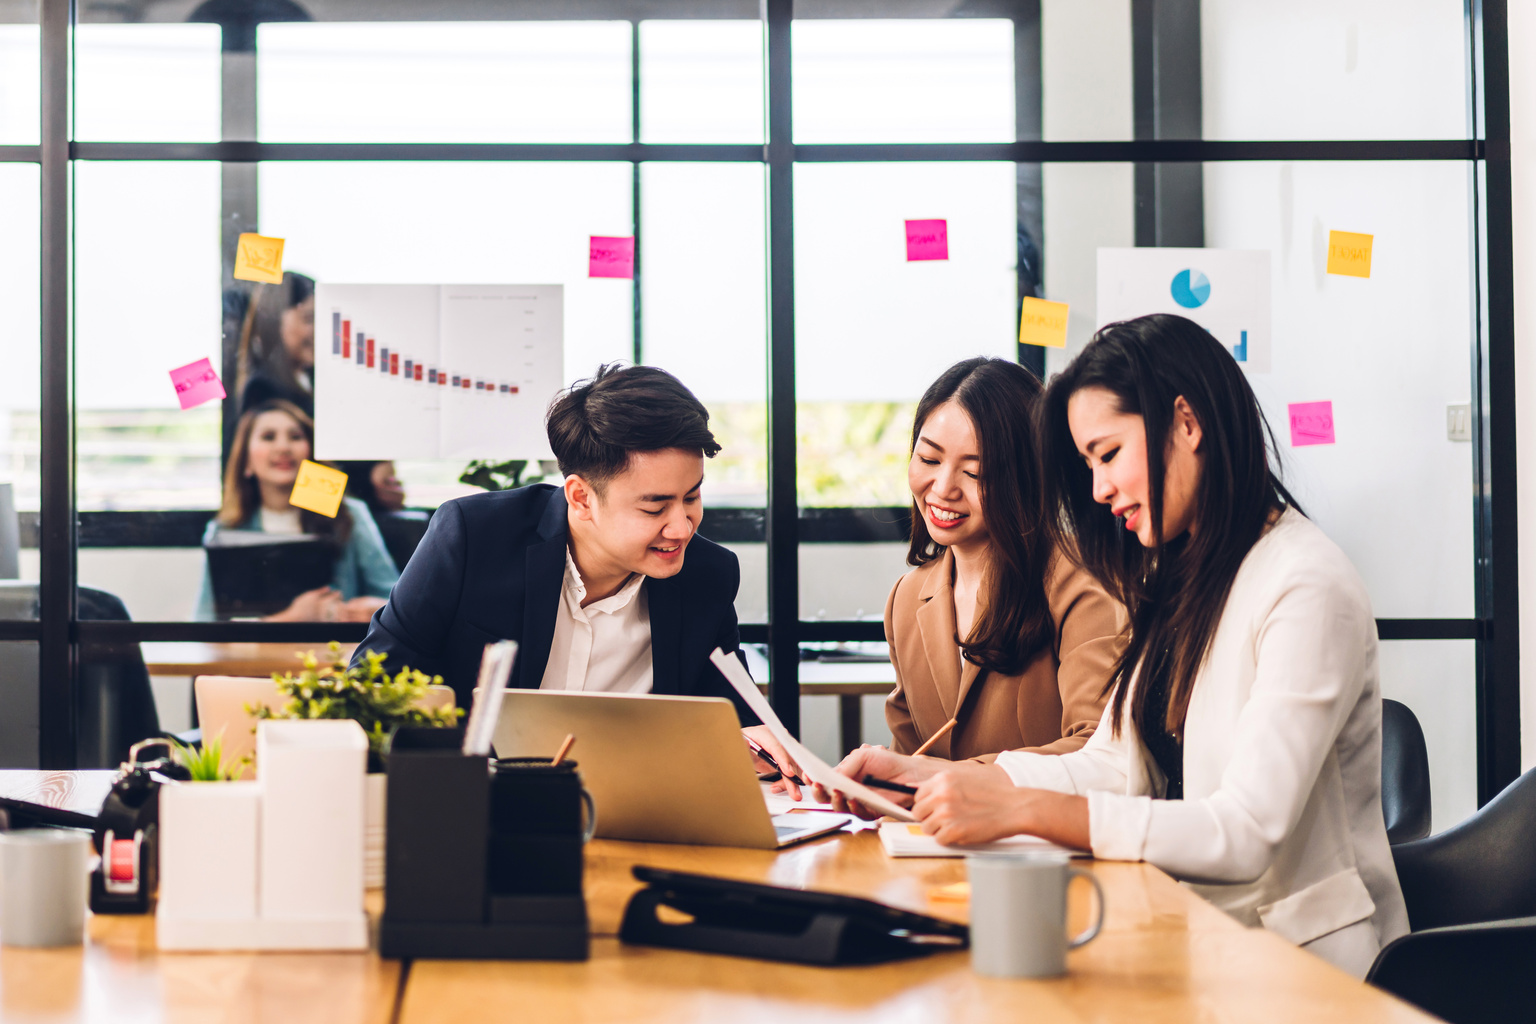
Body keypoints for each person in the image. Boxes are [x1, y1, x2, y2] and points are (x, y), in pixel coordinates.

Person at [839, 315, 1408, 977]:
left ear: (1187, 424)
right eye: (1088, 465)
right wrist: (937, 777)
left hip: (1301, 968)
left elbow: (1246, 832)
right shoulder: (1179, 575)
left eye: (1107, 455)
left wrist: (1023, 806)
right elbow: (1115, 764)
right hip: (1189, 935)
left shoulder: (1306, 583)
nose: (1099, 488)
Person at [353, 364, 801, 790]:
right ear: (581, 497)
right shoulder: (476, 537)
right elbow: (378, 679)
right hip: (475, 807)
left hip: (640, 815)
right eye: (654, 507)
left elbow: (731, 718)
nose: (682, 527)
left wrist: (753, 744)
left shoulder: (707, 575)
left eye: (692, 497)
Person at [873, 357, 1123, 763]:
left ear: (1026, 477)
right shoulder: (907, 597)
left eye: (976, 472)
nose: (943, 488)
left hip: (1041, 826)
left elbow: (1096, 749)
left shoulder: (1082, 582)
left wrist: (940, 781)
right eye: (930, 460)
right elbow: (910, 756)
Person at [194, 400, 399, 622]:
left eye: (295, 437)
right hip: (256, 658)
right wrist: (293, 618)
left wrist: (372, 610)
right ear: (246, 461)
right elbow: (205, 624)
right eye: (268, 437)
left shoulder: (348, 514)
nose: (283, 447)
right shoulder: (225, 530)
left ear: (310, 451)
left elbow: (395, 602)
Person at [237, 272, 315, 417]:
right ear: (275, 321)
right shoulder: (262, 390)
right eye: (308, 319)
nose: (316, 330)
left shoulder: (311, 379)